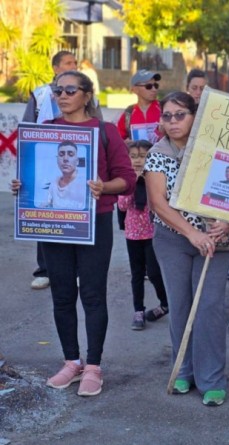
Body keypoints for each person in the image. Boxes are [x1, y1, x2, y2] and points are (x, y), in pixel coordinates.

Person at [12, 70, 136, 397]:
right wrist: (23, 186)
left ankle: (93, 366)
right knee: (62, 295)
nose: (62, 95)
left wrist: (103, 187)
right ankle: (71, 361)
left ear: (87, 95)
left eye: (70, 90)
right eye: (58, 90)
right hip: (53, 227)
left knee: (92, 295)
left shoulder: (105, 132)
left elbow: (127, 179)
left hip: (94, 225)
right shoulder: (45, 130)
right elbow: (33, 176)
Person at [144, 92, 229, 406]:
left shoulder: (218, 150)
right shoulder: (157, 152)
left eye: (180, 114)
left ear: (196, 116)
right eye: (167, 116)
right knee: (180, 305)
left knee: (209, 307)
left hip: (216, 239)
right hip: (173, 239)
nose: (173, 122)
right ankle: (182, 369)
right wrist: (192, 233)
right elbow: (158, 203)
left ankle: (212, 379)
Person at [22, 50, 80, 291]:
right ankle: (44, 270)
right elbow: (27, 128)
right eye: (68, 63)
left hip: (76, 159)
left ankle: (76, 270)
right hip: (46, 161)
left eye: (75, 62)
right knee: (45, 213)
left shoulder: (86, 93)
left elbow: (95, 125)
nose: (73, 65)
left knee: (76, 212)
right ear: (55, 68)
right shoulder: (40, 95)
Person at [117, 140, 168, 330]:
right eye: (133, 157)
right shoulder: (125, 180)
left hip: (153, 232)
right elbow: (122, 206)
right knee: (137, 274)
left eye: (143, 156)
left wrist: (146, 181)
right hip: (133, 234)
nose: (138, 161)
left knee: (154, 272)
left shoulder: (156, 177)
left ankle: (165, 303)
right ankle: (138, 311)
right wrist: (132, 183)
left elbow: (162, 202)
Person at [37, 141, 88, 210]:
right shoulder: (54, 184)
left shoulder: (85, 182)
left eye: (70, 154)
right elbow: (46, 204)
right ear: (57, 160)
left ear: (77, 161)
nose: (65, 159)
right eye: (61, 154)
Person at [116, 70, 162, 142]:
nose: (154, 89)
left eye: (156, 86)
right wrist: (125, 143)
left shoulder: (164, 109)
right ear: (135, 89)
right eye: (148, 86)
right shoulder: (128, 114)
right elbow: (117, 140)